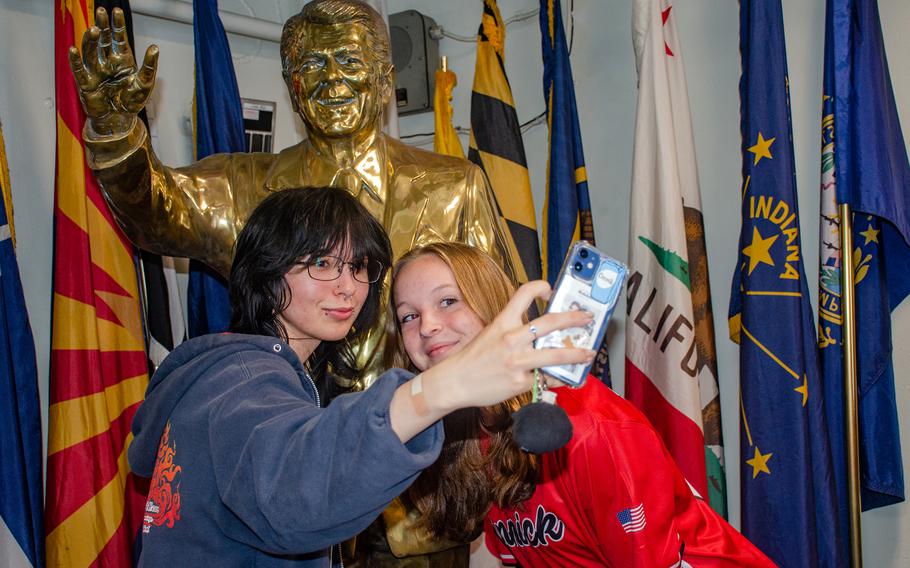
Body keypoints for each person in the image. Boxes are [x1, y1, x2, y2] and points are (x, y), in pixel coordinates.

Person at [127, 188, 593, 567]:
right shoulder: (242, 379)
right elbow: (297, 491)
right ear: (267, 276)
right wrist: (445, 386)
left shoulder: (248, 377)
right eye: (322, 264)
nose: (348, 285)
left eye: (358, 267)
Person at [68, 0, 521, 381]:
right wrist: (115, 131)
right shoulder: (240, 184)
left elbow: (500, 310)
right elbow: (156, 214)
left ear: (384, 82)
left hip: (428, 447)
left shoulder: (454, 185)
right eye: (311, 66)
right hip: (292, 436)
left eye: (348, 62)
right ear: (292, 84)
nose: (331, 80)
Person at [386, 242, 775, 567]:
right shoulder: (465, 434)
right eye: (409, 315)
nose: (427, 326)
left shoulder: (589, 429)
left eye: (448, 301)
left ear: (495, 309)